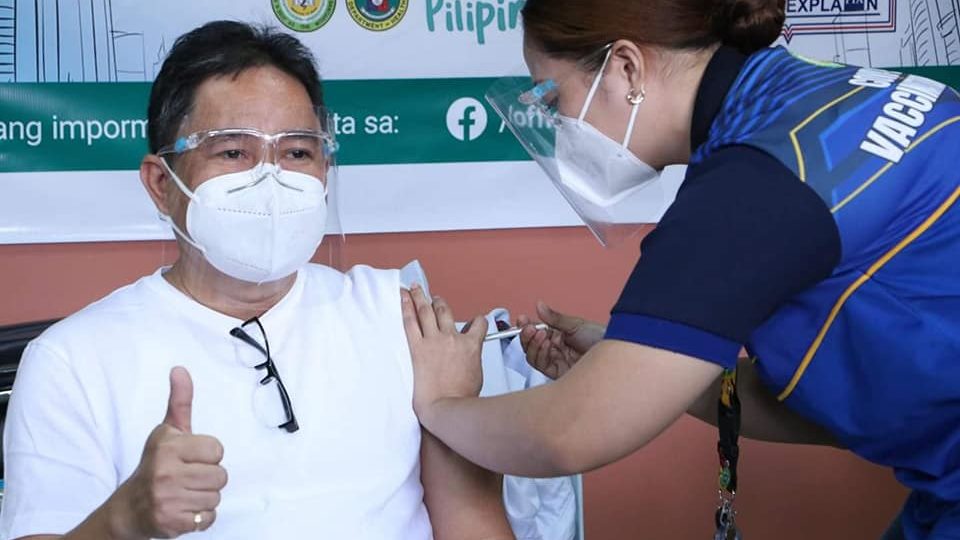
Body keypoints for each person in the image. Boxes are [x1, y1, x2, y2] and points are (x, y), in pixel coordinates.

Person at [400, 0, 960, 539]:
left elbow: (566, 435)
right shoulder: (814, 95)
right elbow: (847, 407)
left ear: (626, 67)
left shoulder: (751, 185)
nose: (556, 124)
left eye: (552, 100)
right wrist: (643, 374)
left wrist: (444, 406)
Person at [0, 21, 514, 540]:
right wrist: (122, 520)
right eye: (232, 152)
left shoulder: (398, 318)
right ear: (162, 184)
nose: (271, 178)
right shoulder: (72, 360)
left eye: (296, 152)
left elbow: (473, 522)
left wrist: (459, 411)